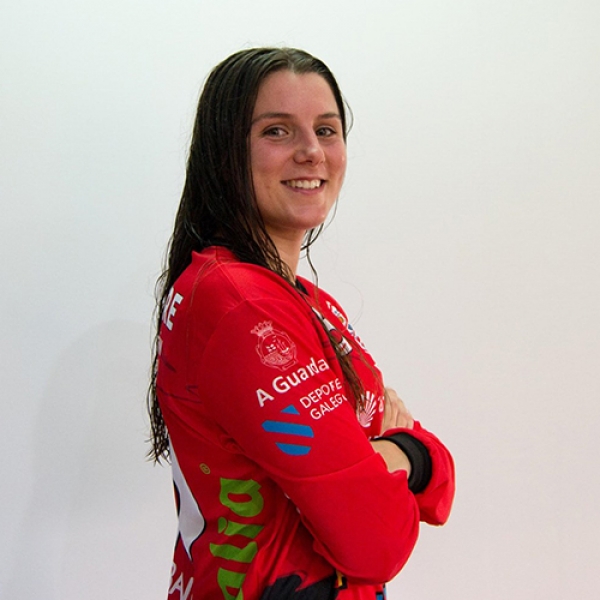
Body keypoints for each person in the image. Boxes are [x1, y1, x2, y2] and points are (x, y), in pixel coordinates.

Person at [148, 47, 455, 600]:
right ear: (225, 151)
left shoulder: (305, 302)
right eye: (277, 131)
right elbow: (374, 539)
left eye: (326, 130)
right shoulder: (241, 305)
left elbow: (423, 491)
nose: (312, 151)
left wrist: (380, 458)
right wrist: (410, 453)